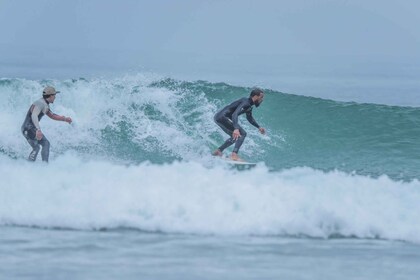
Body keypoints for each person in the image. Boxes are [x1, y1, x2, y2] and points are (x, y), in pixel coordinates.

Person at [21, 86, 72, 162]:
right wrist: (38, 129)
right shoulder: (40, 103)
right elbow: (34, 115)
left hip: (27, 128)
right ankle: (42, 166)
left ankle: (34, 165)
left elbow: (52, 115)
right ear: (51, 95)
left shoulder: (44, 104)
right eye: (54, 95)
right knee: (42, 145)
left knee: (41, 145)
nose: (55, 97)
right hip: (29, 128)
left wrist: (65, 119)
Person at [212, 88, 266, 161]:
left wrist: (259, 127)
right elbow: (235, 114)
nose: (262, 100)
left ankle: (218, 151)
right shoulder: (245, 102)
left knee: (234, 136)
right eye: (261, 97)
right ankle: (234, 155)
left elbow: (250, 118)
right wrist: (236, 128)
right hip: (223, 117)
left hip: (218, 117)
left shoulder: (248, 106)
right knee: (242, 134)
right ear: (256, 96)